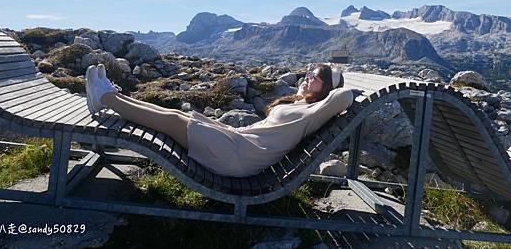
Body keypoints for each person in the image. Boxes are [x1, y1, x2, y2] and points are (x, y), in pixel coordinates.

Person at [85, 63, 359, 177]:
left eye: (316, 76)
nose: (308, 77)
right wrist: (304, 91)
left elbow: (345, 95)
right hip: (239, 143)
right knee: (176, 115)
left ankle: (106, 99)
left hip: (239, 157)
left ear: (326, 88)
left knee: (172, 120)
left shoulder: (316, 112)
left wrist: (335, 76)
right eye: (309, 72)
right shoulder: (301, 104)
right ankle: (110, 94)